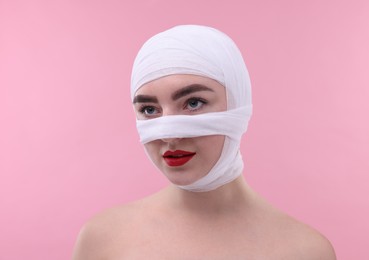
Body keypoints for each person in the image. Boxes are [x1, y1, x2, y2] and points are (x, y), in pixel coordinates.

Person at [72, 25, 336, 259]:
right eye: (150, 110)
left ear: (238, 104)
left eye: (193, 103)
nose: (169, 135)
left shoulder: (306, 251)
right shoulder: (102, 239)